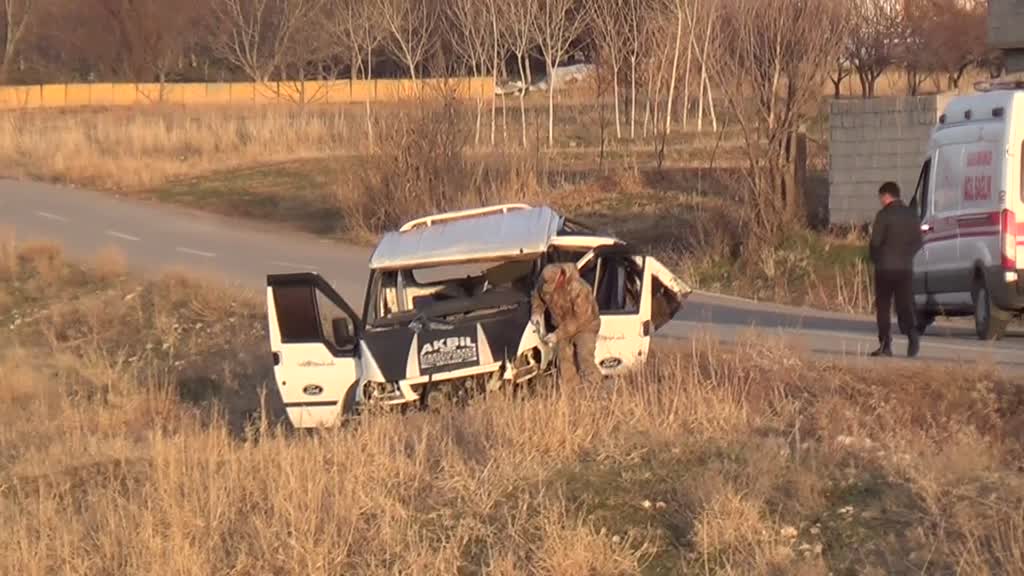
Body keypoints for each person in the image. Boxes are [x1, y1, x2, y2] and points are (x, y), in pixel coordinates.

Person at [869, 181, 924, 358]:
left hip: (885, 268)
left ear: (886, 196)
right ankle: (912, 334)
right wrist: (907, 256)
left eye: (880, 198)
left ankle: (885, 345)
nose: (880, 201)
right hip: (905, 268)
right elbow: (918, 241)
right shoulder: (911, 214)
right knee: (904, 305)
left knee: (884, 307)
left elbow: (875, 242)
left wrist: (876, 258)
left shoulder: (883, 215)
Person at [531, 263, 602, 386]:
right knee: (564, 363)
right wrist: (536, 312)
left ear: (561, 277)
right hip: (561, 326)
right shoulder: (544, 281)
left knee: (584, 358)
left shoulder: (580, 288)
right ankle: (572, 397)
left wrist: (557, 335)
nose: (549, 289)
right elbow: (537, 296)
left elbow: (578, 319)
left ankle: (594, 393)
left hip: (585, 326)